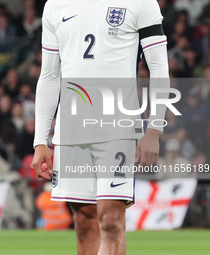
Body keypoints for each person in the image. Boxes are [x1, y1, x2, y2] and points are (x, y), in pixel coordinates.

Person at [32, 0, 170, 254]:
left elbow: (159, 67)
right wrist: (40, 140)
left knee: (110, 220)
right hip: (70, 131)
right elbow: (49, 75)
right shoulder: (55, 5)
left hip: (118, 128)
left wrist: (154, 129)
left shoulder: (141, 2)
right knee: (84, 223)